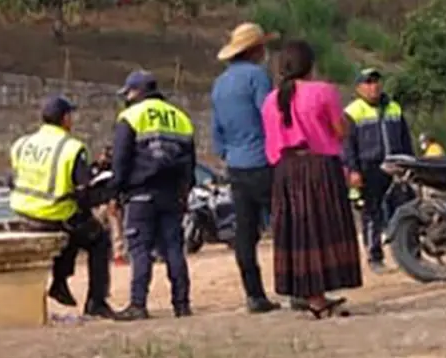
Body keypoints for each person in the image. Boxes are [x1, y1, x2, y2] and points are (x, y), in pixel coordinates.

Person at [262, 40, 361, 318]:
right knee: (321, 229)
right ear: (310, 66)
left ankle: (310, 294)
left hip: (285, 170)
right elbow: (339, 130)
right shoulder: (323, 92)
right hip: (318, 168)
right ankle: (317, 296)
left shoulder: (270, 100)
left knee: (299, 233)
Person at [9, 94, 116, 319]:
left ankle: (60, 282)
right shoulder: (72, 147)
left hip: (22, 213)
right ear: (65, 118)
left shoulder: (22, 143)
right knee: (98, 238)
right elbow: (83, 187)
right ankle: (95, 302)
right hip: (53, 213)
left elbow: (16, 178)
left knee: (78, 225)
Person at [112, 70, 197, 321]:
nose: (126, 98)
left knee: (140, 249)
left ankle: (138, 304)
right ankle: (182, 304)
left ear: (136, 92)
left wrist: (116, 191)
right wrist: (185, 190)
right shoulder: (180, 117)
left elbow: (121, 159)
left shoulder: (130, 116)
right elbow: (190, 162)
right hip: (172, 195)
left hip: (140, 194)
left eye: (127, 93)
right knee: (174, 248)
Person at [212, 22, 281, 314]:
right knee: (285, 224)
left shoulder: (220, 83)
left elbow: (217, 131)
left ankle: (254, 294)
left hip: (236, 165)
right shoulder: (257, 77)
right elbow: (270, 116)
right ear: (256, 50)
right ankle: (298, 287)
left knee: (245, 231)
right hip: (263, 160)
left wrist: (227, 154)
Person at [343, 67, 414, 273]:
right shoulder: (352, 112)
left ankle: (410, 253)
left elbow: (405, 139)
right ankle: (375, 257)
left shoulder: (394, 108)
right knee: (372, 213)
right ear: (359, 88)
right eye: (368, 82)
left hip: (396, 166)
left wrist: (411, 164)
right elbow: (347, 145)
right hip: (369, 168)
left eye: (376, 81)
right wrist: (353, 170)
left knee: (405, 210)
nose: (373, 86)